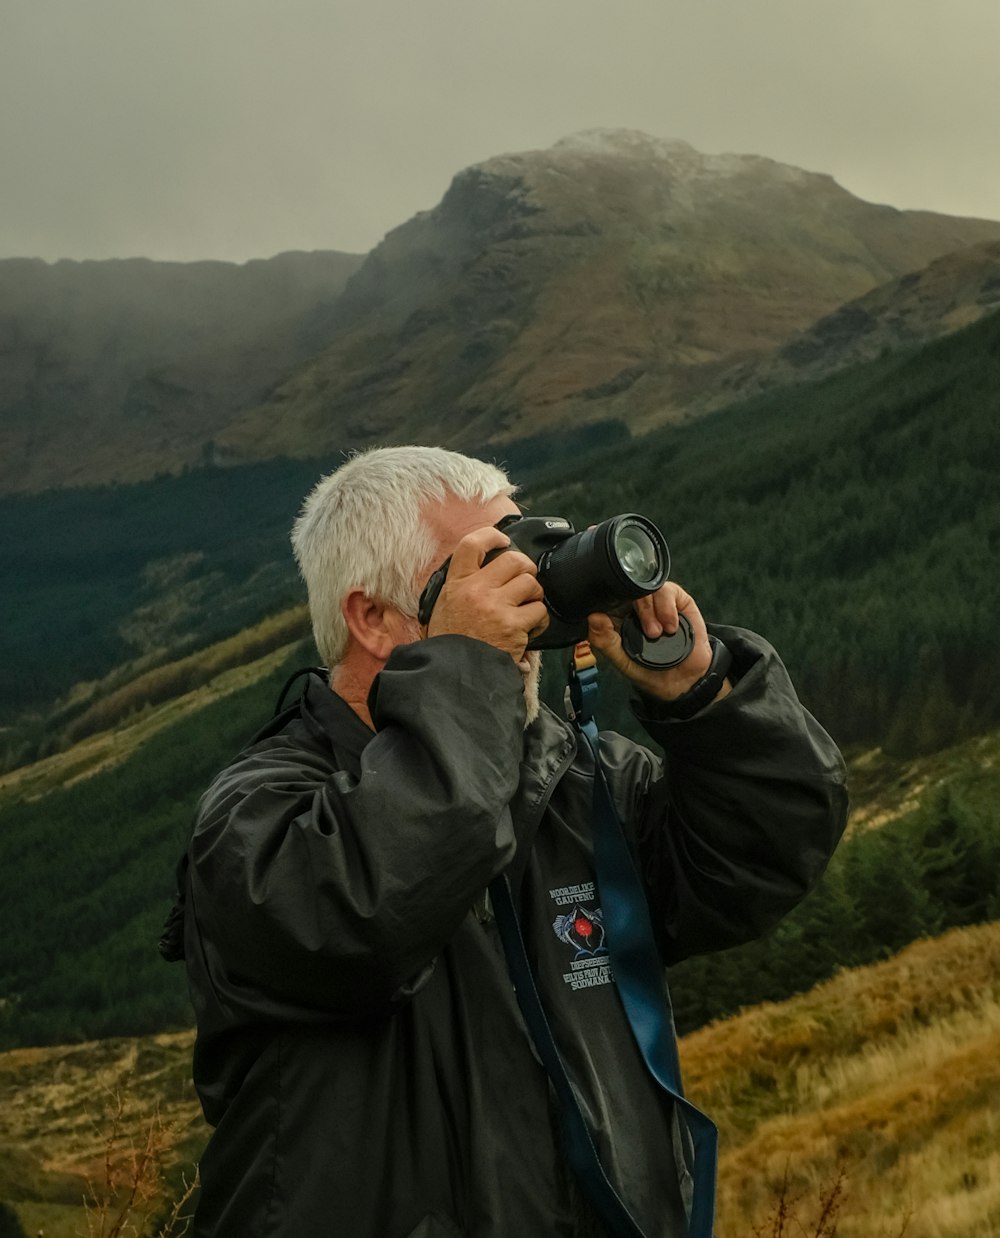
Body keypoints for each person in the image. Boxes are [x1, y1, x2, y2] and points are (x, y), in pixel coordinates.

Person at [177, 445, 848, 1238]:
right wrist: (469, 671)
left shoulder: (571, 782)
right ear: (375, 620)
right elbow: (367, 916)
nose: (527, 600)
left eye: (525, 558)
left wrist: (704, 696)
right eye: (485, 575)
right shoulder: (262, 819)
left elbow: (762, 858)